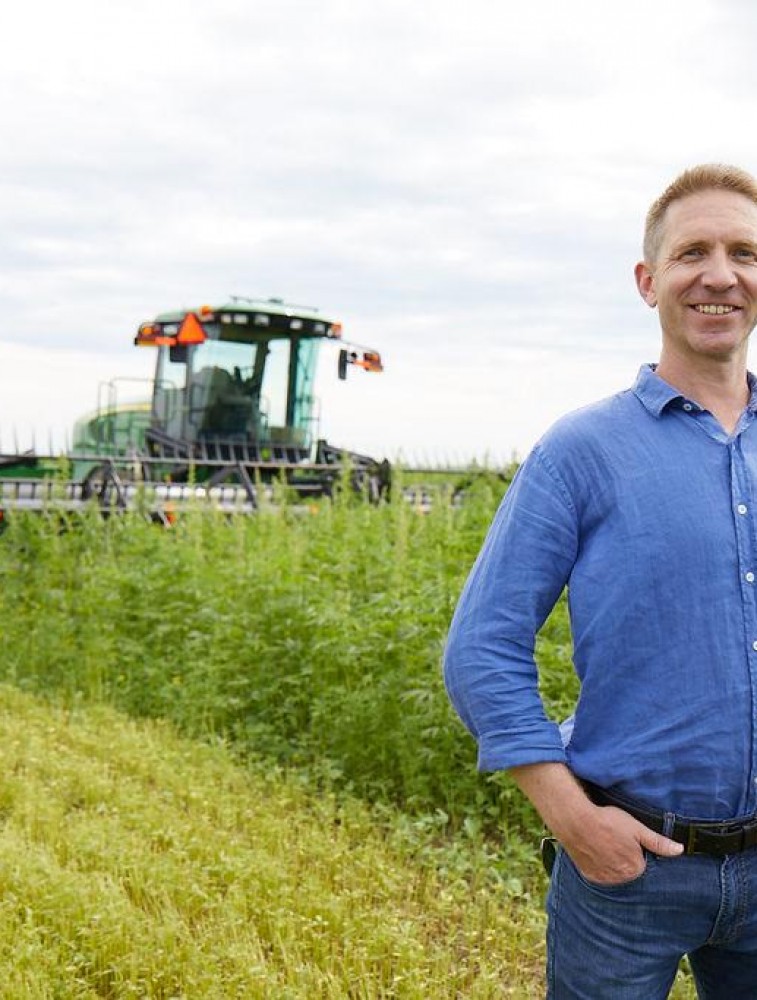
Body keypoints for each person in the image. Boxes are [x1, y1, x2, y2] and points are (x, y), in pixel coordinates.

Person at [443, 163, 757, 999]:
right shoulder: (581, 452)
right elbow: (482, 646)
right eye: (693, 252)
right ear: (648, 281)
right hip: (629, 875)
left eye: (743, 252)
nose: (720, 274)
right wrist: (572, 819)